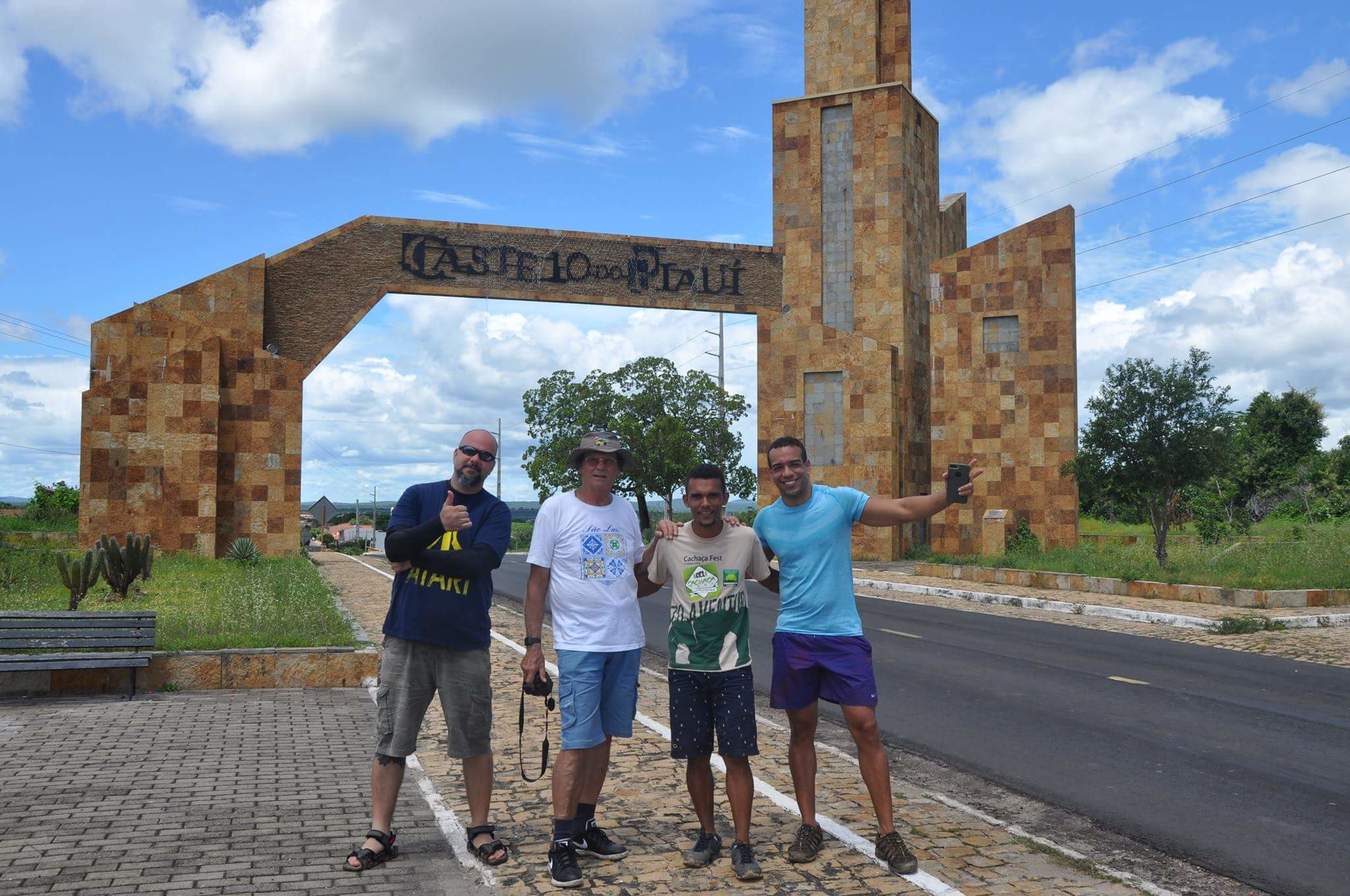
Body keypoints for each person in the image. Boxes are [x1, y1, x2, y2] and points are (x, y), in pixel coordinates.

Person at [752, 436, 981, 876]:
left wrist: (948, 497)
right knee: (802, 730)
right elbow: (756, 565)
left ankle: (888, 833)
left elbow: (901, 511)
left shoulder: (838, 502)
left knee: (866, 726)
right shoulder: (766, 521)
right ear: (771, 472)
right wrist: (781, 588)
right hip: (794, 638)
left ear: (807, 464)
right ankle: (808, 824)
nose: (787, 473)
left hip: (842, 635)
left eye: (793, 464)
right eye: (777, 467)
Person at [343, 429, 512, 872]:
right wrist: (438, 526)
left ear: (492, 466)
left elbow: (478, 564)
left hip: (465, 644)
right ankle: (380, 833)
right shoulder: (419, 496)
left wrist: (416, 555)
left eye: (486, 456)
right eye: (469, 451)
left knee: (474, 739)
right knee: (392, 739)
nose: (475, 460)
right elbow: (392, 545)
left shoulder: (495, 511)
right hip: (407, 638)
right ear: (455, 454)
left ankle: (479, 828)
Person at [521, 430, 661, 889]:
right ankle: (559, 842)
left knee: (604, 739)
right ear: (580, 464)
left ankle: (583, 826)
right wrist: (532, 645)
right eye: (592, 459)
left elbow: (638, 577)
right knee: (576, 742)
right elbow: (537, 582)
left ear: (619, 468)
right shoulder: (556, 509)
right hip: (581, 644)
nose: (601, 466)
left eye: (610, 460)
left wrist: (667, 547)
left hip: (625, 641)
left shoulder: (624, 511)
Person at [644, 463, 777, 881]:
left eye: (713, 496)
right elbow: (644, 585)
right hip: (686, 667)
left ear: (724, 498)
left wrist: (808, 560)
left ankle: (742, 842)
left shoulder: (744, 537)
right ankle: (707, 834)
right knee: (695, 756)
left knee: (737, 756)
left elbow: (770, 578)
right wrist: (652, 542)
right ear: (686, 500)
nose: (705, 504)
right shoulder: (671, 541)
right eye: (697, 496)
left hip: (733, 667)